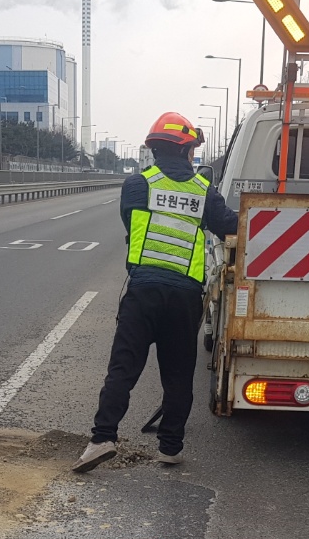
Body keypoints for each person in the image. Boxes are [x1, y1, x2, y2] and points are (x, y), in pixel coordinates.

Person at [73, 112, 239, 472]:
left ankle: (102, 439)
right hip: (183, 296)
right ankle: (170, 447)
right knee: (178, 374)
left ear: (154, 148)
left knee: (123, 368)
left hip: (143, 291)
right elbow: (230, 225)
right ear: (186, 150)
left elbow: (130, 224)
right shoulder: (203, 192)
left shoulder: (137, 184)